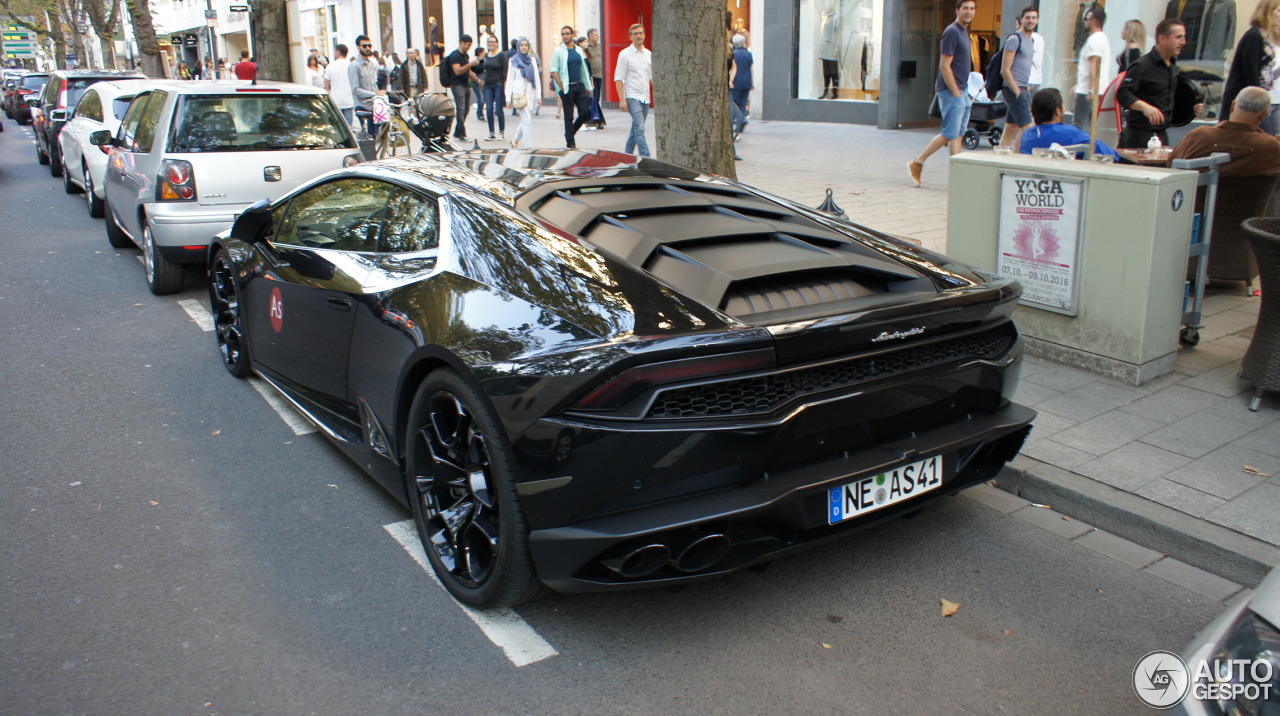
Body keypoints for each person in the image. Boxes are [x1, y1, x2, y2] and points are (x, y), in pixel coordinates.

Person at [907, 0, 976, 187]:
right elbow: (944, 65)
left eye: (972, 9)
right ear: (957, 10)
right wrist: (955, 92)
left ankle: (957, 175)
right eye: (965, 8)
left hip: (961, 89)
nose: (969, 12)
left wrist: (963, 91)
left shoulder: (963, 31)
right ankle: (917, 162)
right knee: (949, 133)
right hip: (951, 90)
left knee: (957, 134)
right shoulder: (952, 32)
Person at [1117, 18, 1203, 148]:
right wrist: (1145, 107)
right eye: (1178, 37)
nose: (1183, 42)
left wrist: (1192, 109)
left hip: (1162, 135)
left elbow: (1170, 97)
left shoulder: (1172, 67)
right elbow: (1122, 93)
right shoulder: (1142, 65)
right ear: (1163, 39)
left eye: (1184, 37)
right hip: (1138, 136)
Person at [1172, 86, 1280, 175]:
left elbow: (1172, 165)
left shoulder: (1199, 136)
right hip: (1250, 200)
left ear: (1232, 106)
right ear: (1263, 115)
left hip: (1199, 200)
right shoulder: (1269, 146)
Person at [1220, 0, 1280, 134]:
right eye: (1279, 11)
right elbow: (1251, 74)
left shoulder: (1268, 38)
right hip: (1248, 102)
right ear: (1267, 13)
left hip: (1265, 99)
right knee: (1262, 138)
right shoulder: (1254, 36)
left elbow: (1266, 74)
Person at [1019, 88, 1119, 158]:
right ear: (1058, 110)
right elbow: (1109, 155)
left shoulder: (1027, 135)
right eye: (1063, 104)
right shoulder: (1072, 134)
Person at [999, 7, 1038, 148]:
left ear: (1037, 20)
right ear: (1021, 20)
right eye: (1028, 17)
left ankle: (1001, 157)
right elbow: (1005, 69)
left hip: (1021, 87)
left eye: (1034, 18)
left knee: (1011, 126)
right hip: (1013, 88)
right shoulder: (1014, 39)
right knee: (1028, 127)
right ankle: (1018, 156)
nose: (1031, 20)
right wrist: (1016, 90)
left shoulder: (1031, 40)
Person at [550, 25, 594, 149]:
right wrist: (561, 87)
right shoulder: (558, 51)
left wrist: (587, 85)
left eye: (567, 33)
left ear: (572, 34)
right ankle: (571, 143)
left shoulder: (578, 50)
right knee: (568, 116)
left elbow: (584, 68)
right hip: (567, 87)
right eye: (563, 34)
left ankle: (570, 132)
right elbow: (554, 71)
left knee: (585, 113)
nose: (565, 36)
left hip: (579, 86)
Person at [615, 22, 653, 157]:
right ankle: (646, 156)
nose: (638, 36)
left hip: (645, 97)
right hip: (632, 96)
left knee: (636, 128)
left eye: (641, 33)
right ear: (630, 36)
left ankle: (627, 155)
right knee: (640, 127)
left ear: (644, 35)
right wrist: (622, 100)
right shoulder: (624, 54)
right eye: (635, 34)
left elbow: (651, 77)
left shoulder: (649, 54)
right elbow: (618, 78)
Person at [1072, 5, 1111, 130]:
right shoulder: (1102, 39)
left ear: (1093, 21)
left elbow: (1094, 66)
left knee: (1078, 126)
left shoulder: (1094, 40)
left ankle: (1081, 149)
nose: (1084, 23)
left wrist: (1090, 90)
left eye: (1086, 19)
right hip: (1094, 89)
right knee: (1091, 126)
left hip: (1088, 92)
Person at [505, 38, 541, 149]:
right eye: (522, 45)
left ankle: (515, 140)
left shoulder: (532, 60)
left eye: (526, 45)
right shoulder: (513, 61)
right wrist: (508, 98)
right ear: (518, 47)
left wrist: (538, 95)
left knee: (526, 120)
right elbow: (510, 79)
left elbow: (536, 78)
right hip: (518, 94)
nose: (524, 47)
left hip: (530, 94)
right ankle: (528, 146)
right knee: (527, 120)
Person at [444, 35, 481, 140]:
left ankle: (457, 131)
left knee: (466, 109)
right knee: (461, 109)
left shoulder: (465, 56)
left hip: (465, 84)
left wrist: (477, 80)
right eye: (467, 45)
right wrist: (470, 64)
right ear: (462, 43)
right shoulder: (455, 56)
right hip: (457, 85)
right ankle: (462, 133)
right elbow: (457, 70)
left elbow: (467, 71)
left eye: (470, 45)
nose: (469, 47)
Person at [349, 35, 385, 138]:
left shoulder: (372, 64)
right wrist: (374, 94)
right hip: (363, 106)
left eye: (369, 45)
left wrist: (380, 94)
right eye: (364, 46)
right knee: (369, 138)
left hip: (375, 105)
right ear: (358, 47)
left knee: (380, 134)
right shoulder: (354, 66)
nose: (368, 48)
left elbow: (374, 84)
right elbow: (355, 89)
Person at [478, 35, 507, 140]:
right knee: (489, 108)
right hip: (487, 85)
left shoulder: (501, 55)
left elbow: (506, 70)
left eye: (493, 42)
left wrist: (506, 85)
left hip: (498, 84)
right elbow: (484, 69)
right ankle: (491, 132)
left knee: (498, 109)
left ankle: (501, 132)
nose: (491, 44)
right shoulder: (487, 55)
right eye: (489, 42)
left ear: (497, 43)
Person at [729, 33, 753, 136]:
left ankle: (741, 120)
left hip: (735, 83)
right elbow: (750, 68)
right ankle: (740, 121)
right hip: (746, 82)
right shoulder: (748, 54)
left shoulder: (733, 54)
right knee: (742, 104)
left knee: (734, 104)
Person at [328, 44, 355, 127]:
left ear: (338, 52)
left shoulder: (331, 66)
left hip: (336, 99)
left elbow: (326, 85)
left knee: (338, 127)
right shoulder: (351, 65)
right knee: (349, 127)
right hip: (349, 99)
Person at [585, 28, 606, 129]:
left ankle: (596, 119)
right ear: (590, 36)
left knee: (597, 98)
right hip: (591, 76)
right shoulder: (586, 47)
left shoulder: (600, 46)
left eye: (597, 35)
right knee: (595, 97)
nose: (597, 36)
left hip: (600, 75)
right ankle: (597, 120)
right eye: (595, 35)